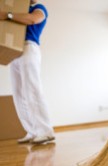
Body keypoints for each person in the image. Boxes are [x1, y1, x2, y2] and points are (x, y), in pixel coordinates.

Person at [0, 0, 55, 144]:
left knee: (32, 89)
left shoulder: (39, 8)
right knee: (18, 94)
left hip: (29, 48)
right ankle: (32, 131)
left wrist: (7, 14)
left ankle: (46, 131)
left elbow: (32, 19)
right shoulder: (17, 10)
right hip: (15, 50)